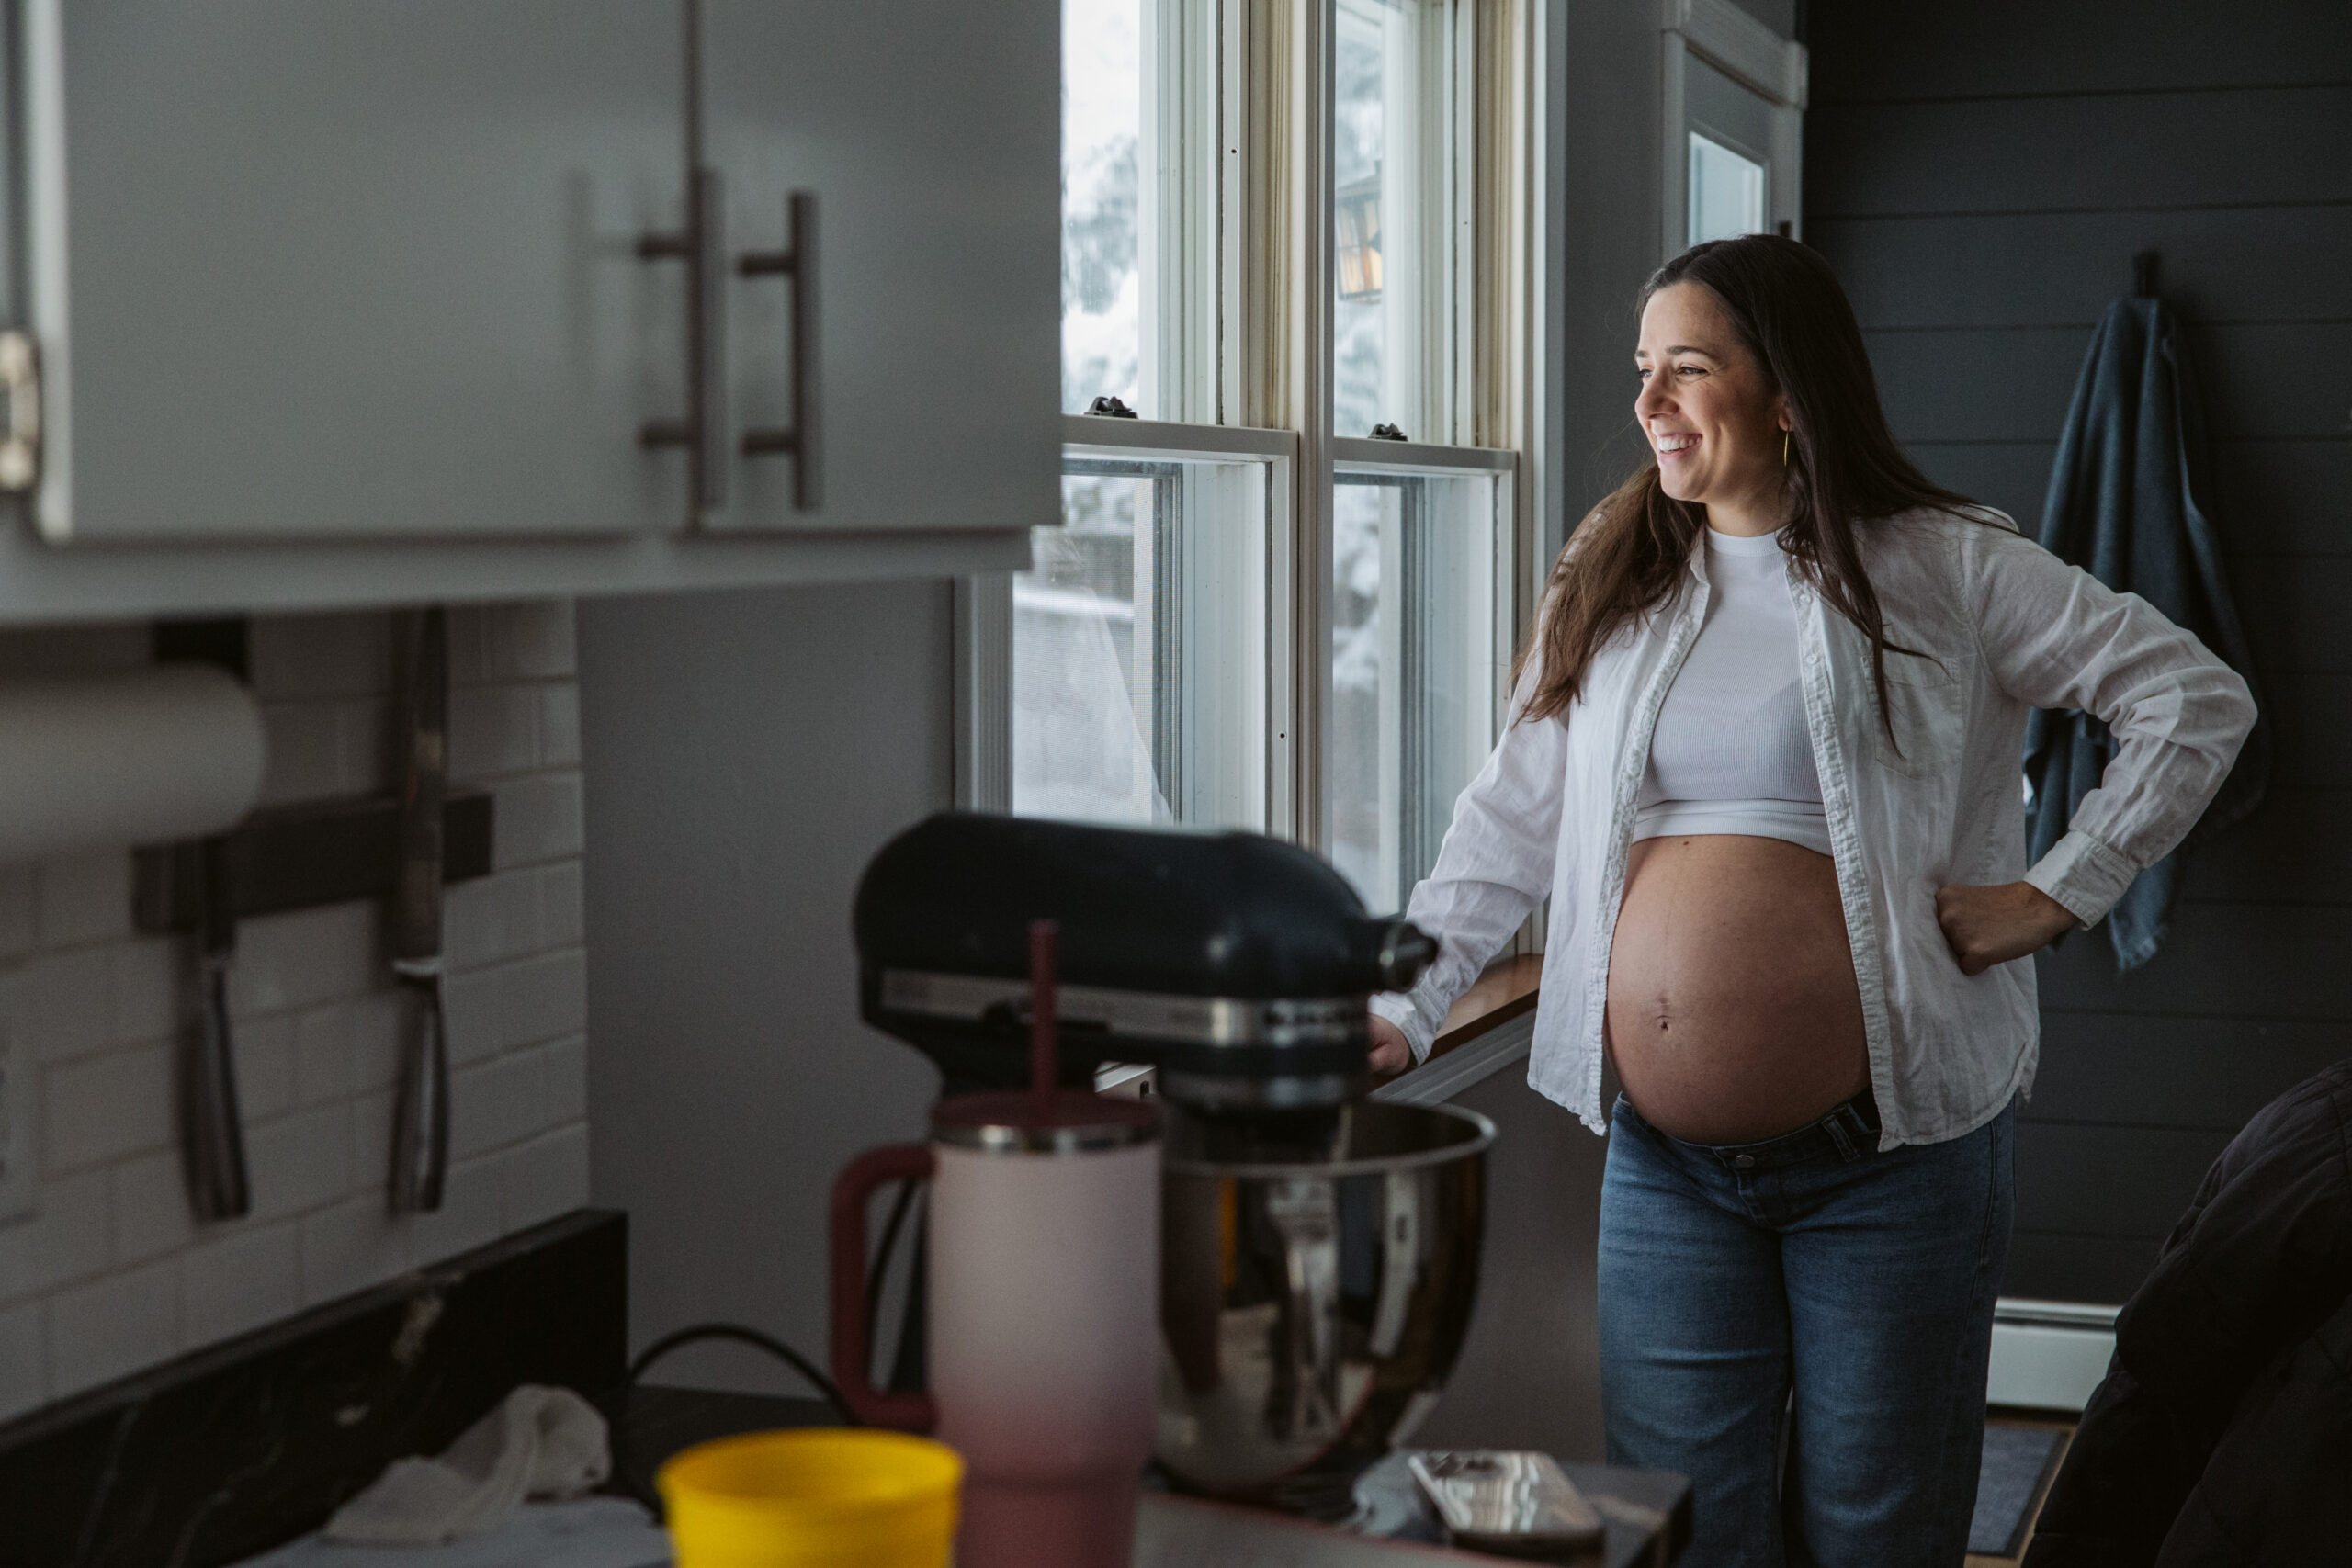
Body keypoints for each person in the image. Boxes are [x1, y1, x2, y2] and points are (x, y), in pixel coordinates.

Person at [1364, 234, 2256, 1567]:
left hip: (1891, 1166)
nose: (1649, 404)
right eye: (1641, 373)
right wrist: (1411, 998)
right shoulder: (1611, 572)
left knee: (1875, 1535)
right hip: (1666, 1175)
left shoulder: (1946, 568)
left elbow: (2195, 699)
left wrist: (2058, 893)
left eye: (1687, 370)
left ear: (1786, 393)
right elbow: (1511, 816)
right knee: (1689, 1533)